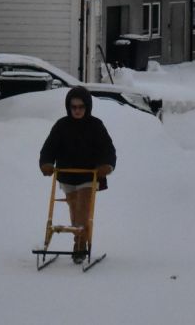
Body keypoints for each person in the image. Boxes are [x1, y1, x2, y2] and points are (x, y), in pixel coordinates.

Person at [38, 86, 116, 262]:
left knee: (82, 208)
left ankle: (79, 245)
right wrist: (46, 164)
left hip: (89, 176)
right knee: (75, 210)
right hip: (67, 175)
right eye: (74, 107)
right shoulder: (61, 125)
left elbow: (108, 150)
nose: (77, 110)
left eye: (81, 107)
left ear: (87, 107)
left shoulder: (96, 125)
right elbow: (49, 148)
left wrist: (107, 165)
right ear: (68, 107)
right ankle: (79, 239)